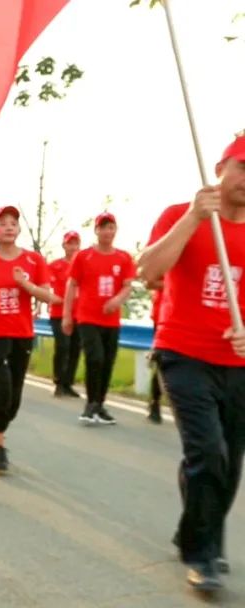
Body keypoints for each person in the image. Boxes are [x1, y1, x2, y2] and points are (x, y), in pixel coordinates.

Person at [137, 134, 245, 591]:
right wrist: (193, 218)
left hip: (236, 362)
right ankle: (205, 553)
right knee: (208, 452)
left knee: (229, 462)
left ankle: (193, 531)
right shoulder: (181, 214)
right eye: (242, 167)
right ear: (220, 168)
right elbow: (148, 270)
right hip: (183, 353)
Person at [0, 207, 59, 472]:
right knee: (2, 387)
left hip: (21, 332)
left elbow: (48, 296)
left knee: (14, 398)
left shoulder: (34, 260)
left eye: (13, 223)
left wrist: (25, 285)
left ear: (19, 229)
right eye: (2, 223)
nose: (9, 227)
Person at [62, 211, 135, 426]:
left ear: (115, 230)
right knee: (95, 358)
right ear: (96, 230)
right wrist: (67, 315)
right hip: (87, 318)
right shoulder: (83, 256)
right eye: (103, 227)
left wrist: (117, 300)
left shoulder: (123, 258)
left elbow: (128, 287)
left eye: (111, 227)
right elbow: (71, 285)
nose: (107, 231)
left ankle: (100, 404)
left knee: (108, 363)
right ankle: (90, 404)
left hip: (111, 320)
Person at [48, 231, 83, 398]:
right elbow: (47, 286)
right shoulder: (55, 266)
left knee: (76, 348)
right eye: (70, 243)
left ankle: (68, 383)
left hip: (79, 314)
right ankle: (58, 382)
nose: (73, 247)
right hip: (59, 313)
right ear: (64, 245)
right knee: (63, 346)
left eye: (76, 243)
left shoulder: (84, 266)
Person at [146, 281, 164, 423]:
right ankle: (155, 401)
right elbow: (150, 281)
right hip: (165, 317)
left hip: (195, 318)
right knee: (162, 361)